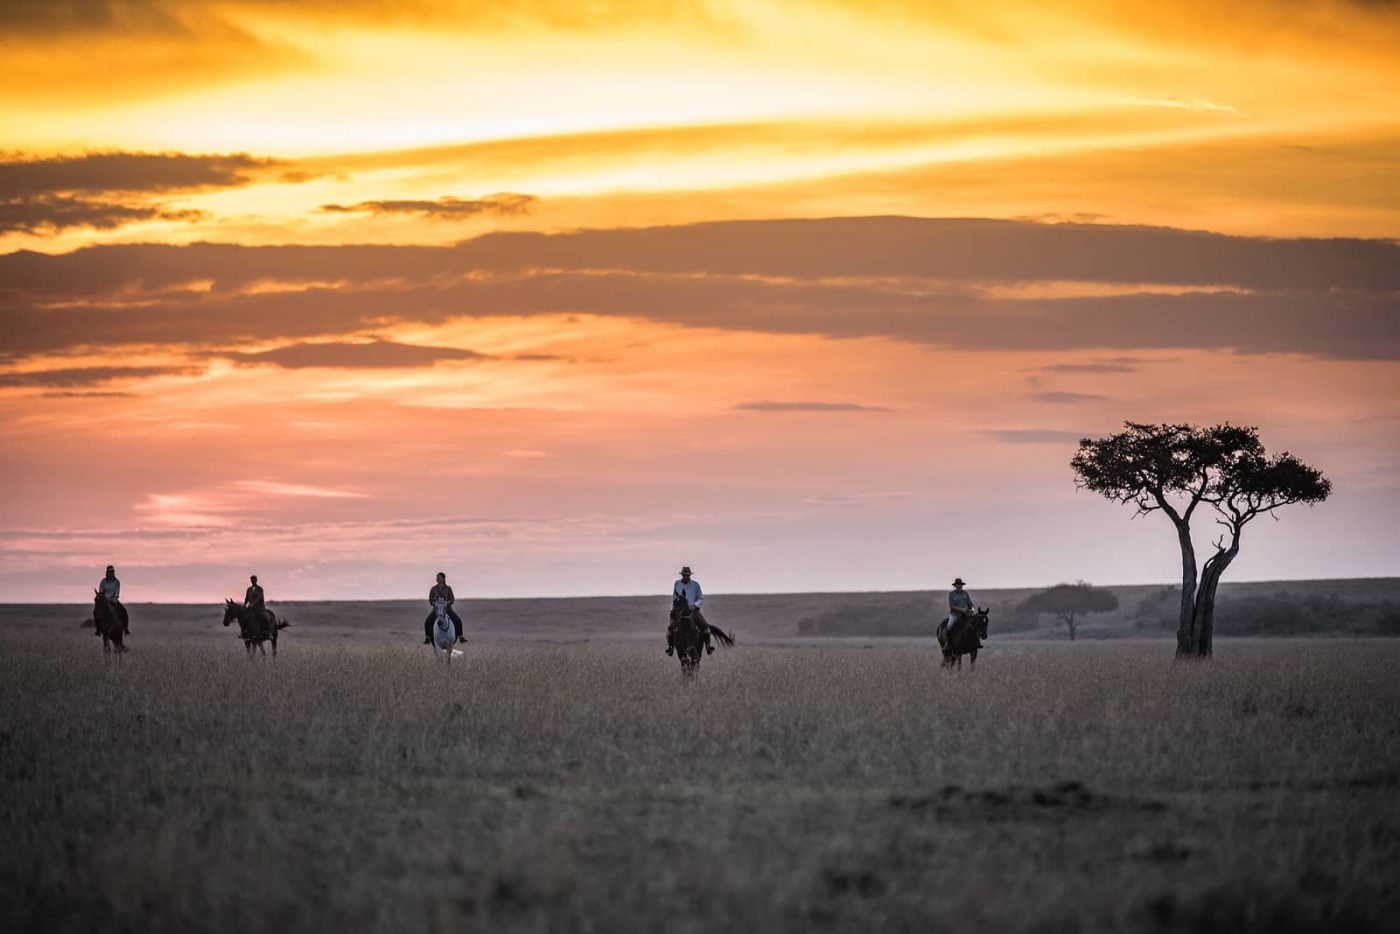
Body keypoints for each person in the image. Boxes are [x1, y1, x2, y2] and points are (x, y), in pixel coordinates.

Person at [666, 565, 713, 655]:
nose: (686, 576)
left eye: (687, 575)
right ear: (682, 575)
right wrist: (672, 609)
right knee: (670, 628)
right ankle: (670, 648)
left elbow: (700, 598)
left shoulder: (695, 585)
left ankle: (708, 647)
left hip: (693, 611)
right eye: (684, 574)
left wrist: (694, 605)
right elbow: (674, 598)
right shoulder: (677, 583)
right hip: (680, 611)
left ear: (690, 575)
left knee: (705, 626)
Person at [423, 571, 465, 644]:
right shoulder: (433, 589)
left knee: (458, 620)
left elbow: (452, 599)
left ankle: (461, 636)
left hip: (447, 609)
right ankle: (427, 637)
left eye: (439, 578)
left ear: (443, 578)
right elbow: (430, 600)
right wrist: (434, 603)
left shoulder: (448, 588)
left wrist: (447, 603)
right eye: (437, 578)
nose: (437, 579)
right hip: (436, 610)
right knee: (427, 621)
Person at [95, 564, 129, 635]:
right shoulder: (103, 581)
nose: (111, 573)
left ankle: (125, 628)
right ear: (107, 572)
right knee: (96, 612)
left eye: (113, 571)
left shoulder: (116, 582)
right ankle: (98, 629)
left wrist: (115, 598)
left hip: (113, 600)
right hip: (104, 601)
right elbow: (101, 591)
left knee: (123, 610)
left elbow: (117, 592)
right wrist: (103, 598)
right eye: (110, 571)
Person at [946, 577, 977, 644]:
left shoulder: (965, 593)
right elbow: (952, 606)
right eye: (957, 585)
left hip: (966, 614)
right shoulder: (952, 594)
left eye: (960, 585)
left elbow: (970, 604)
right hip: (955, 614)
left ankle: (976, 642)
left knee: (975, 624)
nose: (959, 586)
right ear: (955, 586)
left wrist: (972, 609)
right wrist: (961, 609)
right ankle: (948, 643)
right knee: (949, 626)